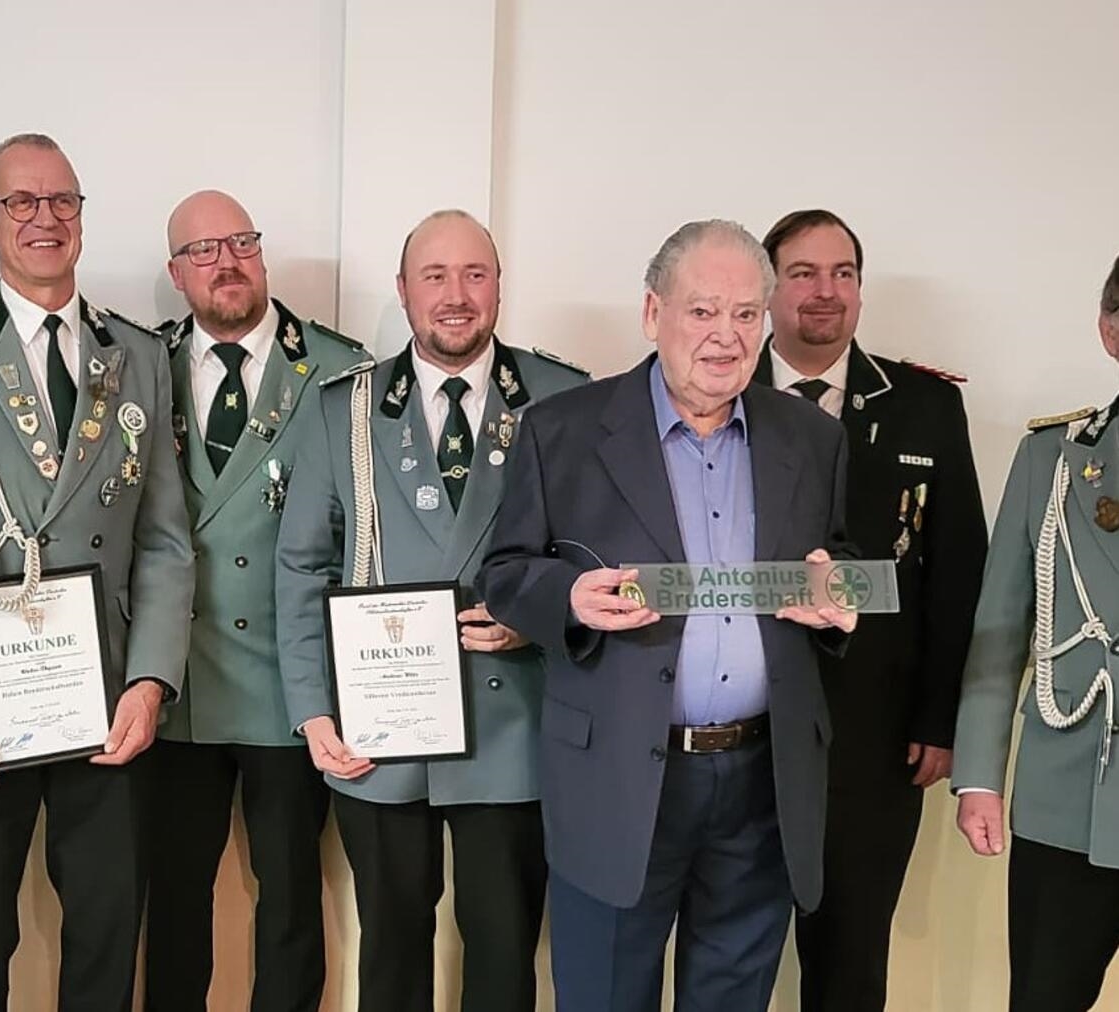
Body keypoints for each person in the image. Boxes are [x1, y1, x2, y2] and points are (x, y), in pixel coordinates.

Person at [480, 219, 858, 1012]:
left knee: (733, 998)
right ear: (653, 314)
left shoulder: (814, 438)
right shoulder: (565, 430)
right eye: (703, 312)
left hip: (762, 778)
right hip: (619, 774)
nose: (727, 336)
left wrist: (839, 596)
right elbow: (506, 575)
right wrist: (566, 600)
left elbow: (836, 563)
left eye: (747, 314)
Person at [0, 132, 195, 1012]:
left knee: (107, 933)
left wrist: (149, 684)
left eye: (62, 201)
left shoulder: (135, 354)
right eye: (22, 203)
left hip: (105, 702)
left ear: (81, 215)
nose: (44, 219)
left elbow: (165, 540)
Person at [275, 209, 586, 1012]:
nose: (456, 296)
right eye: (436, 277)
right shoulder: (342, 406)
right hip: (381, 728)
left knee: (504, 954)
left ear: (499, 287)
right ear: (406, 291)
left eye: (474, 275)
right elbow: (302, 565)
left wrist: (538, 616)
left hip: (512, 725)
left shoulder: (563, 397)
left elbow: (595, 560)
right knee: (392, 951)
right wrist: (313, 711)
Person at [753, 208, 988, 1011]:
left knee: (852, 962)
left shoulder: (925, 405)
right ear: (768, 284)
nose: (826, 292)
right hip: (746, 721)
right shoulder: (716, 391)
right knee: (731, 948)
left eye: (843, 273)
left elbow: (958, 574)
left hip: (878, 734)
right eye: (803, 273)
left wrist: (941, 718)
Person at [143, 190, 370, 1012]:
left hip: (289, 687)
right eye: (202, 251)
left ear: (262, 254)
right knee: (171, 901)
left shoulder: (342, 371)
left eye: (240, 242)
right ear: (175, 273)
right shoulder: (138, 363)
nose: (225, 262)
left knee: (290, 904)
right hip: (174, 685)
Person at [953, 255, 1119, 1012]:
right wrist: (981, 775)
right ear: (1110, 331)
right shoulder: (1052, 459)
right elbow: (1000, 625)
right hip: (1068, 794)